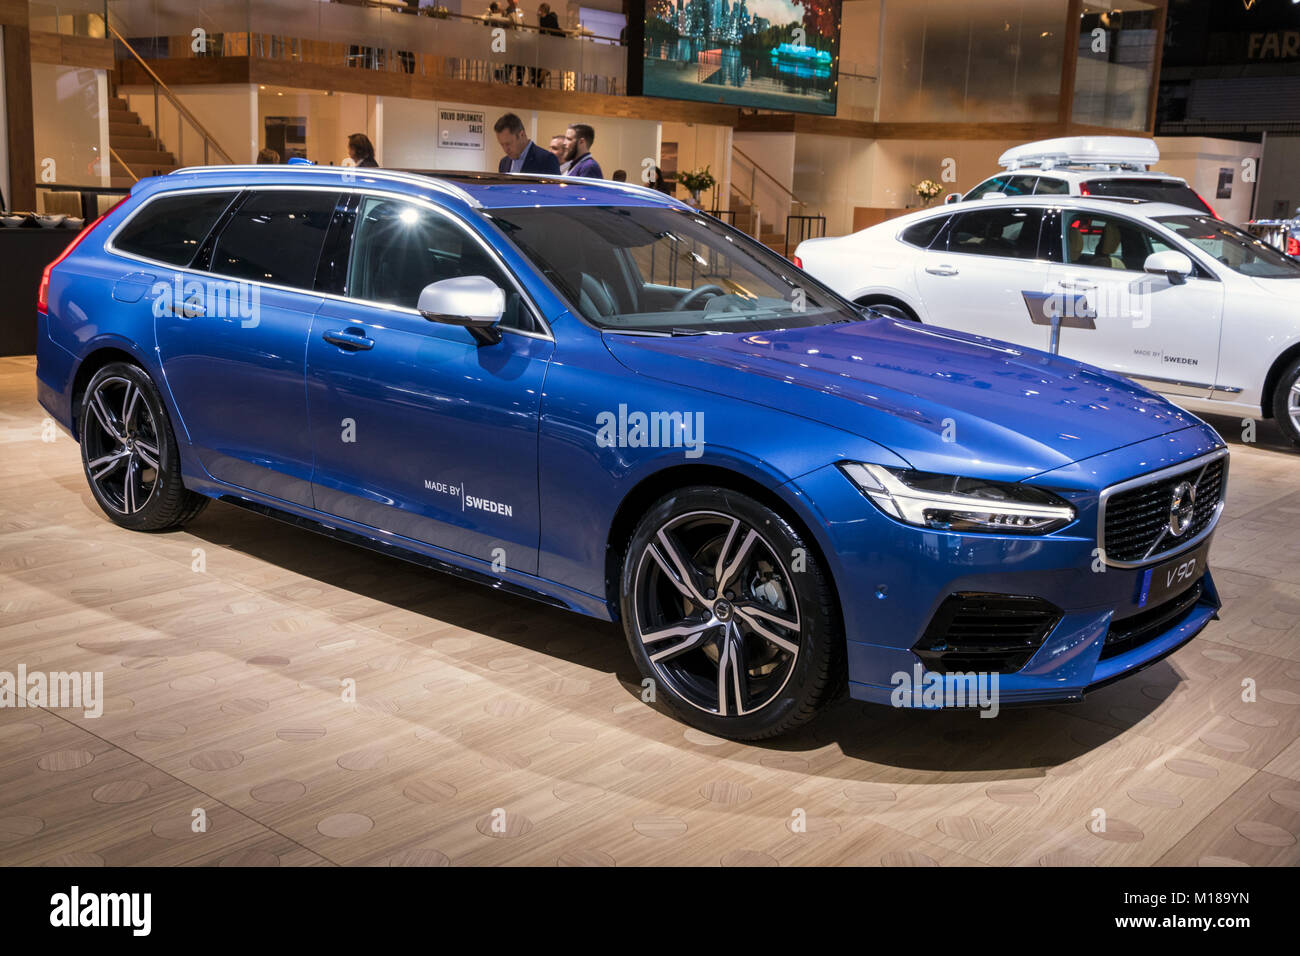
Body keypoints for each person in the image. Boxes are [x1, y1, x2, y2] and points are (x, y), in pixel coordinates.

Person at [494, 113, 561, 175]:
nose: (505, 149)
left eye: (508, 143)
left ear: (522, 135)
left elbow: (554, 188)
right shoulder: (504, 163)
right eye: (502, 144)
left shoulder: (547, 160)